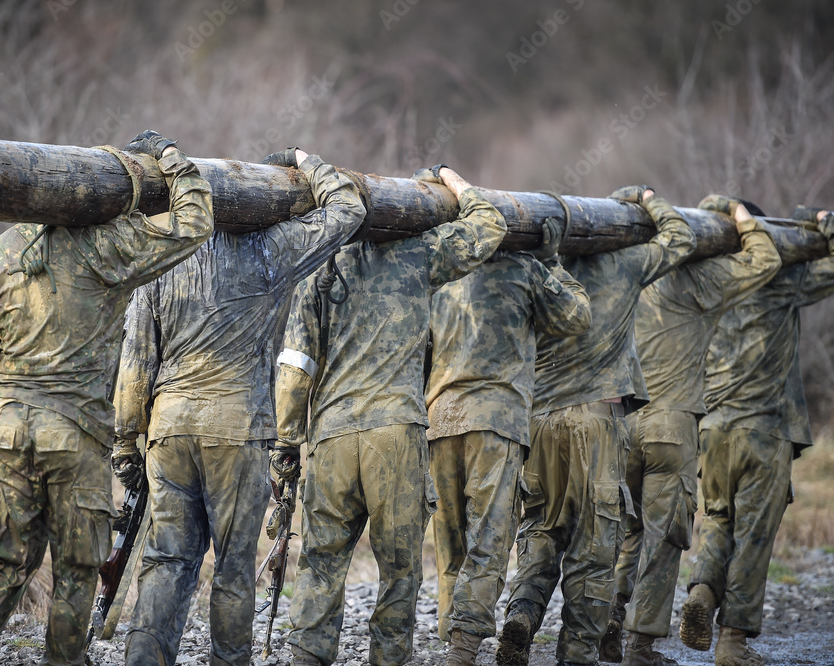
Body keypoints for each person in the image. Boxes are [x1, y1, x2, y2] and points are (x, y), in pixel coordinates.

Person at [0, 131, 213, 666]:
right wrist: (172, 160)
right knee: (78, 568)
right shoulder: (105, 245)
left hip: (9, 434)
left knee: (4, 565)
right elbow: (196, 223)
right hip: (77, 437)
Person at [110, 147, 366, 666]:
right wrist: (303, 159)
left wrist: (124, 440)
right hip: (238, 431)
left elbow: (135, 361)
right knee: (231, 567)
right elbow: (349, 210)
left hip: (170, 428)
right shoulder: (271, 252)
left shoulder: (166, 253)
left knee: (166, 559)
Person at [274, 164, 507, 666]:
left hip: (333, 437)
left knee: (321, 565)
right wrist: (454, 182)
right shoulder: (418, 254)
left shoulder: (321, 267)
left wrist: (286, 442)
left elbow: (295, 368)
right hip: (396, 436)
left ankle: (307, 658)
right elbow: (491, 225)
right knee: (399, 572)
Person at [498, 186, 696, 666]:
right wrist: (641, 196)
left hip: (540, 420)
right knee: (594, 544)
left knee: (541, 529)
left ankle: (522, 614)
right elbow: (682, 237)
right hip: (598, 419)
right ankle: (578, 653)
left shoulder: (539, 269)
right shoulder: (625, 265)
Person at [599, 195, 781, 666]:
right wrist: (737, 214)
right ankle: (640, 649)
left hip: (622, 423)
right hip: (671, 426)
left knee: (627, 533)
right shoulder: (699, 281)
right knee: (663, 541)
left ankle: (609, 624)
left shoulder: (627, 274)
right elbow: (766, 259)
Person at [425, 216, 592, 665]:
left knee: (450, 538)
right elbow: (578, 315)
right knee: (489, 539)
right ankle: (462, 649)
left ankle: (451, 630)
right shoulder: (524, 267)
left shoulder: (439, 271)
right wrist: (552, 260)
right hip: (496, 422)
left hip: (439, 418)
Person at [679, 207, 834, 666]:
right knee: (753, 537)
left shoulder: (708, 284)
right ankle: (732, 643)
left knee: (719, 521)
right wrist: (822, 219)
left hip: (713, 429)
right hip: (763, 431)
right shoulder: (779, 282)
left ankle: (703, 593)